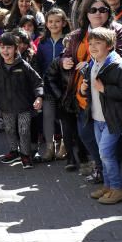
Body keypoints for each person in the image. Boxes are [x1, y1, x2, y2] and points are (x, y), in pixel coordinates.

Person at [80, 26, 122, 205]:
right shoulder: (93, 62)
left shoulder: (116, 65)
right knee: (105, 154)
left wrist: (105, 89)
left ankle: (117, 189)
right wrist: (83, 88)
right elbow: (90, 86)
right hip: (98, 118)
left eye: (98, 43)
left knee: (106, 154)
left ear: (109, 45)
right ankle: (108, 185)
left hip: (112, 119)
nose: (93, 47)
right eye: (91, 43)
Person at [0, 32, 43, 168]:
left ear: (15, 49)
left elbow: (38, 82)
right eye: (2, 47)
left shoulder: (24, 66)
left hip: (24, 106)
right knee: (10, 130)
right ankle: (14, 151)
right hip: (6, 107)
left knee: (24, 131)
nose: (5, 51)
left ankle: (25, 154)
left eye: (9, 47)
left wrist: (39, 97)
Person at [34, 8, 70, 162]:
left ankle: (64, 145)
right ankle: (50, 147)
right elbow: (39, 65)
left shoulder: (69, 41)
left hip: (64, 86)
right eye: (50, 21)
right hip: (48, 85)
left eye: (57, 21)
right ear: (46, 24)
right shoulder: (42, 43)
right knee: (47, 116)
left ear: (63, 23)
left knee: (63, 117)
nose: (54, 24)